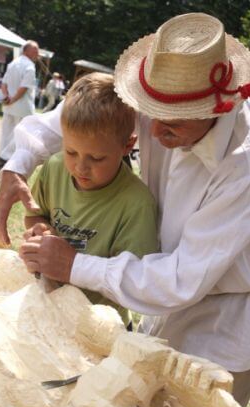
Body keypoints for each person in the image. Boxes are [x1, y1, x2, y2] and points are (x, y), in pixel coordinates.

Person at [0, 13, 250, 407]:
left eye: (172, 126)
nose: (151, 134)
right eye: (148, 114)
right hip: (163, 290)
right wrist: (18, 163)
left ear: (218, 109)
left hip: (229, 315)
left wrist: (75, 265)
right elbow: (72, 118)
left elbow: (182, 279)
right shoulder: (157, 94)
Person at [23, 72, 158, 329]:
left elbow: (133, 279)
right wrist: (39, 229)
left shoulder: (137, 203)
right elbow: (35, 213)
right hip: (47, 311)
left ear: (128, 146)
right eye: (71, 151)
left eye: (96, 158)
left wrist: (72, 264)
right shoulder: (55, 167)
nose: (80, 167)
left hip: (101, 327)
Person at [0, 40, 39, 173]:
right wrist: (12, 99)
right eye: (35, 50)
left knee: (7, 131)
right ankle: (7, 158)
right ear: (26, 51)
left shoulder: (13, 63)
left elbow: (4, 84)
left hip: (10, 105)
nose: (37, 53)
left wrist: (7, 97)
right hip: (22, 106)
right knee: (20, 133)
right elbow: (24, 87)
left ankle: (2, 157)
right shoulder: (29, 66)